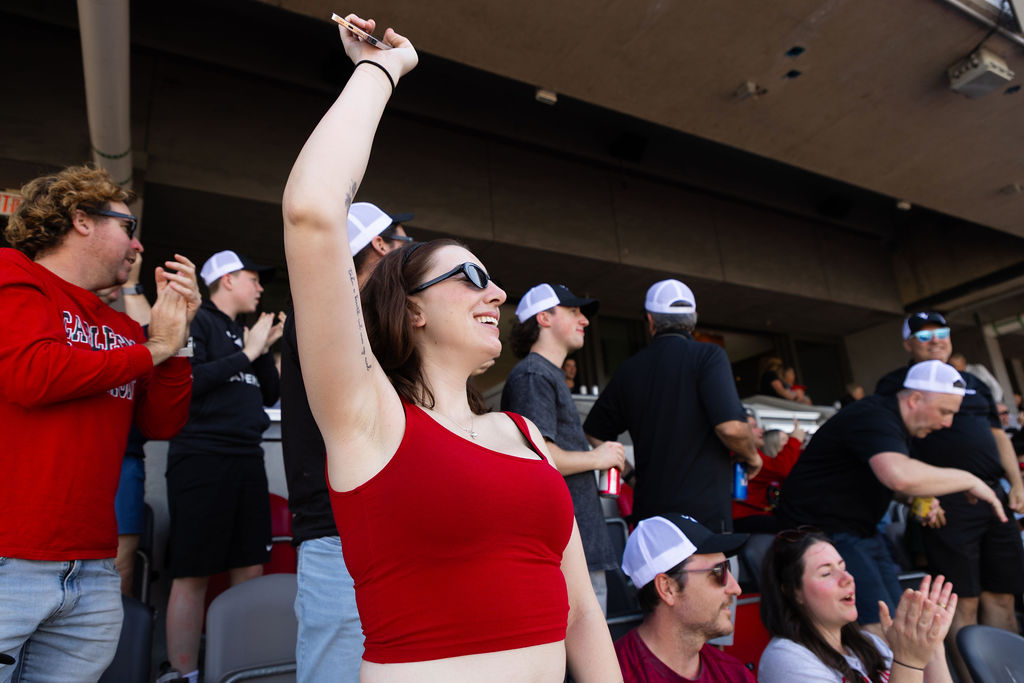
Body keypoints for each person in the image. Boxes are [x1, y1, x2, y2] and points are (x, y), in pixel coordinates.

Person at [281, 14, 618, 682]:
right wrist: (381, 69)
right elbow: (313, 212)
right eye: (469, 276)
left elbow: (581, 613)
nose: (497, 293)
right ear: (410, 308)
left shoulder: (524, 432)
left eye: (492, 279)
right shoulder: (369, 420)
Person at [0, 164, 197, 680]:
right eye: (128, 227)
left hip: (92, 567)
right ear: (82, 220)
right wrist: (155, 346)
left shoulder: (123, 328)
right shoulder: (13, 273)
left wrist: (176, 342)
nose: (138, 245)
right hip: (10, 555)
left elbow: (162, 423)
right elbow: (32, 375)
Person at [280, 201, 413, 682]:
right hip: (340, 530)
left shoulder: (378, 318)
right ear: (381, 244)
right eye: (404, 241)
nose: (411, 252)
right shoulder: (323, 313)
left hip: (394, 526)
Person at [777, 360, 1006, 636]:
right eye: (945, 412)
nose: (947, 423)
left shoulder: (894, 423)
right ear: (915, 399)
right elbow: (898, 475)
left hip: (859, 530)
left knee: (898, 622)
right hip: (822, 533)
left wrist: (915, 499)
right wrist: (970, 480)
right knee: (878, 626)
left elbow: (881, 478)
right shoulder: (874, 415)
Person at [874, 312, 1024, 680]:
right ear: (908, 343)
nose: (936, 340)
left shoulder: (974, 381)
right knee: (960, 603)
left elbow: (999, 435)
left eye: (942, 332)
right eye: (924, 335)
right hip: (943, 503)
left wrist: (1016, 482)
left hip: (993, 496)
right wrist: (917, 498)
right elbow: (892, 447)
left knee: (1003, 596)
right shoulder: (894, 385)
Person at [162, 250, 284, 683]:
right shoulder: (197, 319)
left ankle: (239, 667)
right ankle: (183, 674)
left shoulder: (242, 332)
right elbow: (187, 381)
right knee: (193, 572)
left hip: (247, 458)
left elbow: (270, 394)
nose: (260, 288)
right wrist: (247, 352)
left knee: (250, 566)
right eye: (253, 278)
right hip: (202, 457)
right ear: (228, 280)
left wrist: (262, 349)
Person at [584, 278, 761, 530]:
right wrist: (752, 456)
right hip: (704, 518)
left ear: (651, 321)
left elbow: (594, 431)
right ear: (694, 318)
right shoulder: (708, 356)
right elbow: (731, 428)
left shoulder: (629, 369)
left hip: (651, 516)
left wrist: (631, 476)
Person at [502, 283, 625, 614]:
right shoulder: (533, 375)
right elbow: (538, 457)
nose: (584, 320)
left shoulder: (544, 374)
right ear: (544, 318)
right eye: (573, 311)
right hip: (565, 551)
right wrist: (597, 458)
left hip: (576, 547)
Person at [758, 528, 956, 682]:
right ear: (793, 592)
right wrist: (907, 661)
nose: (847, 578)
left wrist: (932, 645)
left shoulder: (870, 643)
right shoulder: (786, 659)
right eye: (826, 573)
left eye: (843, 567)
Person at [615, 513, 754, 682]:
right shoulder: (612, 675)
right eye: (719, 572)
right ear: (667, 588)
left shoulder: (735, 674)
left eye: (728, 568)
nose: (736, 589)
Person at [733, 417, 805, 534]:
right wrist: (795, 440)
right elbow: (781, 470)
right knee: (800, 528)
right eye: (754, 426)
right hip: (745, 518)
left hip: (756, 516)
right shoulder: (741, 453)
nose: (761, 430)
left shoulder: (754, 454)